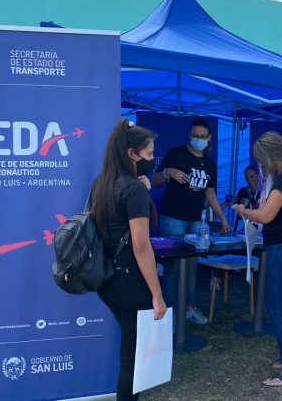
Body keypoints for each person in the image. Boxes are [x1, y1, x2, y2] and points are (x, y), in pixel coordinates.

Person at [91, 118, 166, 401]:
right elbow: (141, 246)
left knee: (131, 351)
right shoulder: (132, 188)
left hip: (106, 278)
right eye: (148, 155)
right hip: (130, 280)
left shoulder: (102, 181)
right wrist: (157, 295)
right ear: (131, 155)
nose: (152, 160)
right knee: (132, 359)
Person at [233, 132, 282, 388]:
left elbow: (265, 215)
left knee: (277, 308)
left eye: (261, 161)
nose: (260, 167)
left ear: (270, 156)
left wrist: (243, 210)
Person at [152, 118, 230, 325]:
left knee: (192, 265)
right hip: (173, 219)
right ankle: (169, 312)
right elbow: (154, 180)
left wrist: (222, 218)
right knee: (173, 267)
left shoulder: (209, 163)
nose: (199, 139)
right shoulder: (177, 154)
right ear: (189, 135)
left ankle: (187, 307)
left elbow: (210, 194)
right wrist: (168, 172)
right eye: (195, 135)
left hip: (196, 221)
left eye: (203, 136)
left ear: (209, 138)